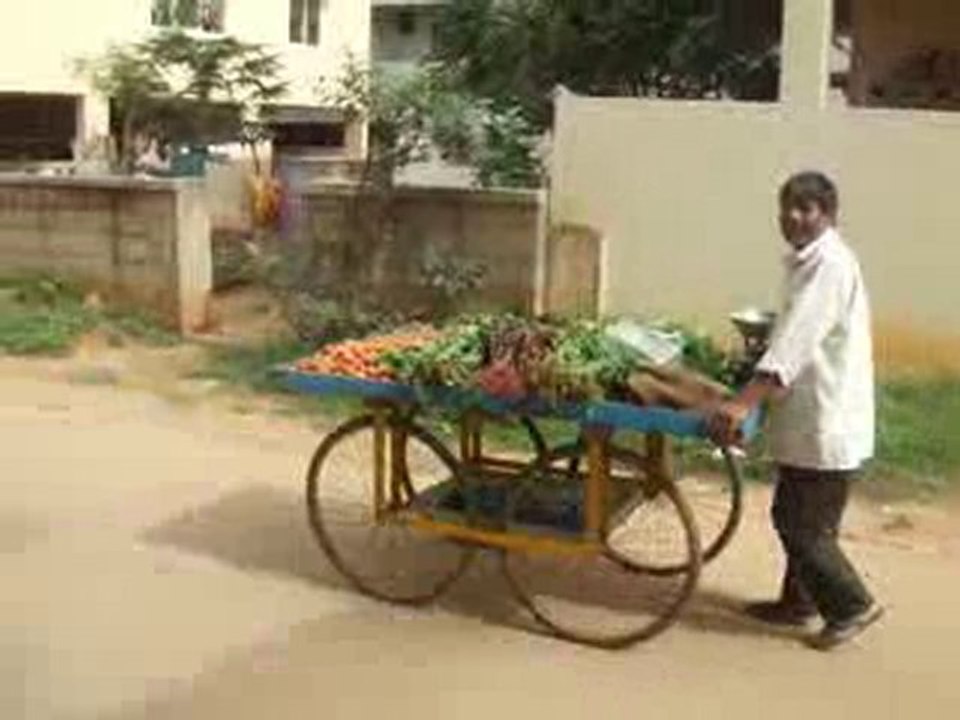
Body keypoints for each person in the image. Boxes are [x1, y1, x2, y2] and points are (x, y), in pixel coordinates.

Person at [708, 171, 884, 651]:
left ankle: (852, 606)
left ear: (828, 215)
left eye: (806, 208)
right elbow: (792, 333)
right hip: (812, 414)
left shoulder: (830, 265)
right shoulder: (809, 262)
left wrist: (743, 402)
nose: (793, 217)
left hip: (827, 419)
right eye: (787, 207)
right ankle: (798, 602)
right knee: (803, 515)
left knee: (802, 523)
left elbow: (795, 342)